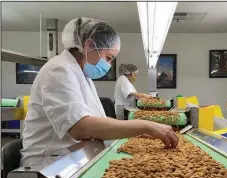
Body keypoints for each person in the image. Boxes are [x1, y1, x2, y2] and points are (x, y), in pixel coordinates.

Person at [20, 17, 178, 168]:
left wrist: (133, 131)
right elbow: (80, 128)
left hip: (73, 157)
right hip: (50, 165)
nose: (109, 65)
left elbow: (97, 120)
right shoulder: (59, 70)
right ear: (89, 46)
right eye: (108, 58)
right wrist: (145, 126)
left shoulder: (82, 75)